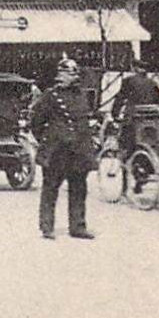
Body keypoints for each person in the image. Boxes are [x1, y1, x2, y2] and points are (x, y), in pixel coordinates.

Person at [30, 57, 97, 241]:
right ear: (60, 75)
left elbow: (85, 120)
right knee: (51, 188)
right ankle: (47, 226)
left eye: (75, 73)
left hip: (78, 150)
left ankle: (78, 226)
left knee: (79, 188)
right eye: (70, 73)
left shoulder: (81, 95)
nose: (74, 77)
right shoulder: (50, 96)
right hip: (56, 151)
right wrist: (47, 140)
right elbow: (36, 122)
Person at [110, 61, 159, 154]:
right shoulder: (153, 83)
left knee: (125, 141)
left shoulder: (128, 81)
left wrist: (114, 114)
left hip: (133, 117)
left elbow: (120, 98)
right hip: (151, 118)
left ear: (135, 68)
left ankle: (126, 158)